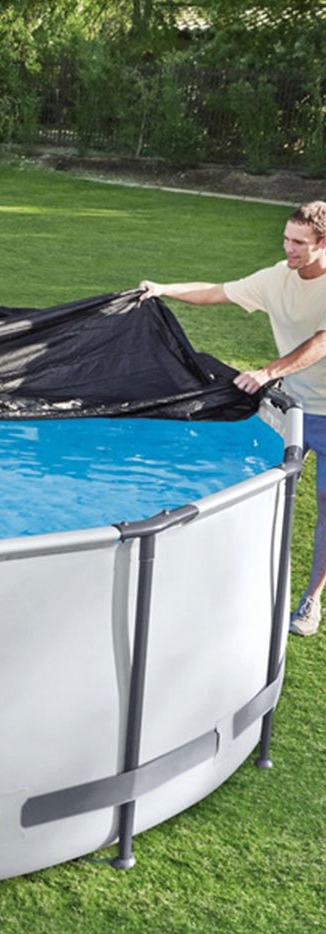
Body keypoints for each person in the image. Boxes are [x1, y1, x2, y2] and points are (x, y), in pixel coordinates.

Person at [139, 200, 326, 637]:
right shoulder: (277, 277)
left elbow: (322, 341)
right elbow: (218, 291)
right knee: (252, 488)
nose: (289, 248)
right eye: (286, 239)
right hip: (294, 406)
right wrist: (164, 289)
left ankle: (311, 600)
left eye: (299, 243)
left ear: (323, 243)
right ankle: (228, 580)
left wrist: (268, 372)